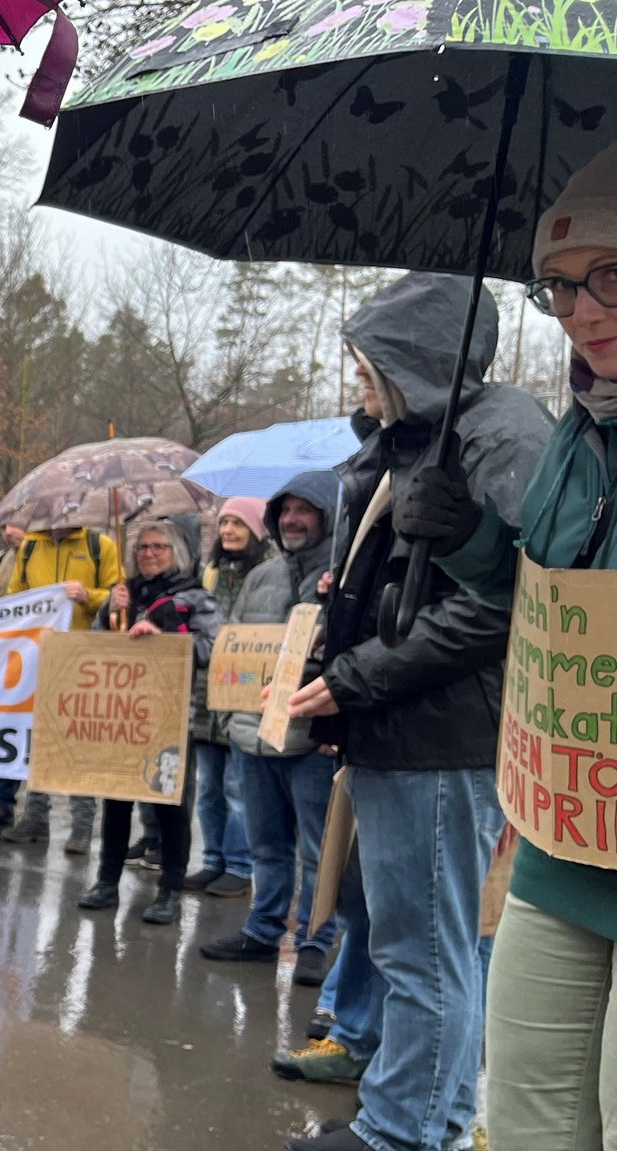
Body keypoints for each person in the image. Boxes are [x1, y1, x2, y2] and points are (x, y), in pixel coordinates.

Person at [280, 272, 551, 1151]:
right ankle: (405, 1114)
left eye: (371, 362)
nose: (360, 379)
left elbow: (500, 602)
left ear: (416, 361)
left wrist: (356, 676)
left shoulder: (491, 430)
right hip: (403, 731)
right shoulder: (417, 441)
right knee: (409, 945)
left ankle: (407, 1130)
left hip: (439, 736)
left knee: (427, 953)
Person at [397, 145, 617, 1151]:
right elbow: (542, 602)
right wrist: (469, 542)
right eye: (559, 287)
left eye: (609, 277)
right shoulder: (577, 430)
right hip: (560, 841)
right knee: (525, 1119)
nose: (580, 311)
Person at [201, 475, 344, 986]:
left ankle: (313, 941)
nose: (293, 520)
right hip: (252, 736)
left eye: (306, 510)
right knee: (266, 846)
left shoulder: (345, 574)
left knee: (317, 850)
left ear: (328, 515)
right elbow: (232, 641)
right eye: (286, 510)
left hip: (309, 740)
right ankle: (262, 932)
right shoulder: (263, 575)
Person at [76, 518, 222, 925]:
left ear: (176, 552)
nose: (149, 554)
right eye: (143, 547)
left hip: (172, 717)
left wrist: (163, 634)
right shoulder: (125, 594)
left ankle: (170, 891)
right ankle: (106, 882)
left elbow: (212, 649)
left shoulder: (194, 598)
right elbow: (93, 645)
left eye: (158, 547)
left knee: (169, 805)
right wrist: (110, 613)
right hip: (123, 715)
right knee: (117, 800)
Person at [0, 520, 121, 854]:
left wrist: (89, 596)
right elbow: (15, 595)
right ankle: (36, 815)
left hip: (85, 658)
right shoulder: (30, 547)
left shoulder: (101, 546)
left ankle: (82, 823)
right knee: (38, 737)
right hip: (38, 657)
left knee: (78, 739)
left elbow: (119, 598)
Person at [187, 498, 267, 899]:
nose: (229, 531)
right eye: (224, 523)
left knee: (239, 789)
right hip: (206, 697)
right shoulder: (209, 574)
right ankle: (213, 859)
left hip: (245, 694)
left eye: (238, 523)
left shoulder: (271, 574)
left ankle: (240, 864)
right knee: (210, 788)